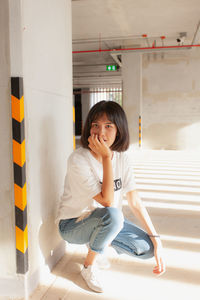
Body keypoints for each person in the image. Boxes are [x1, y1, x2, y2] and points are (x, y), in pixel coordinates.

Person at [56, 100, 165, 293]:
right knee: (113, 215)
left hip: (105, 221)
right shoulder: (78, 159)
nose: (100, 132)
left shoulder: (122, 159)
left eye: (108, 126)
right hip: (73, 224)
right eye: (95, 125)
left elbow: (135, 201)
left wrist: (156, 240)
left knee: (146, 248)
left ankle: (99, 242)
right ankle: (89, 266)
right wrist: (106, 158)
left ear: (119, 130)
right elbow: (106, 201)